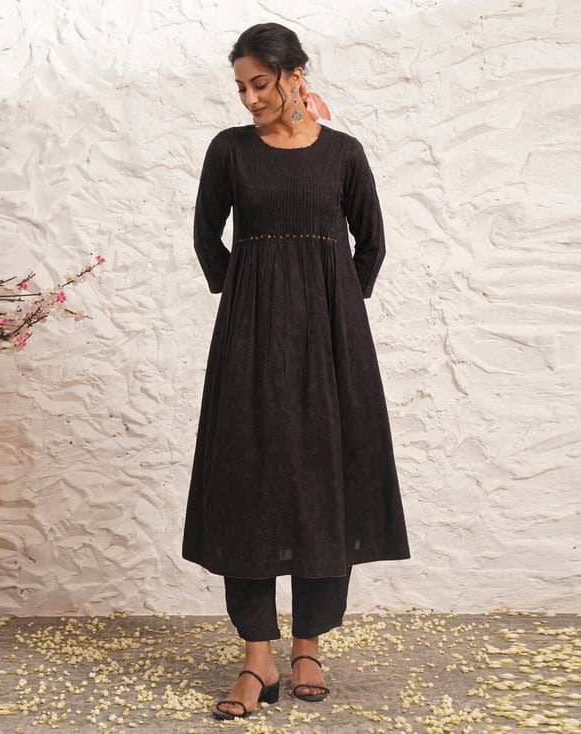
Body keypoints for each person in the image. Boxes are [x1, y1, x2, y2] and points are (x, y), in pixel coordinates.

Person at [182, 22, 410, 720]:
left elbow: (371, 243)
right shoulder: (229, 150)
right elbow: (206, 236)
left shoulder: (343, 153)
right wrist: (248, 296)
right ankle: (258, 657)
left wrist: (334, 305)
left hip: (332, 342)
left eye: (260, 83)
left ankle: (308, 645)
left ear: (294, 75)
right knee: (247, 478)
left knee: (324, 480)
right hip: (249, 338)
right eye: (241, 87)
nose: (250, 98)